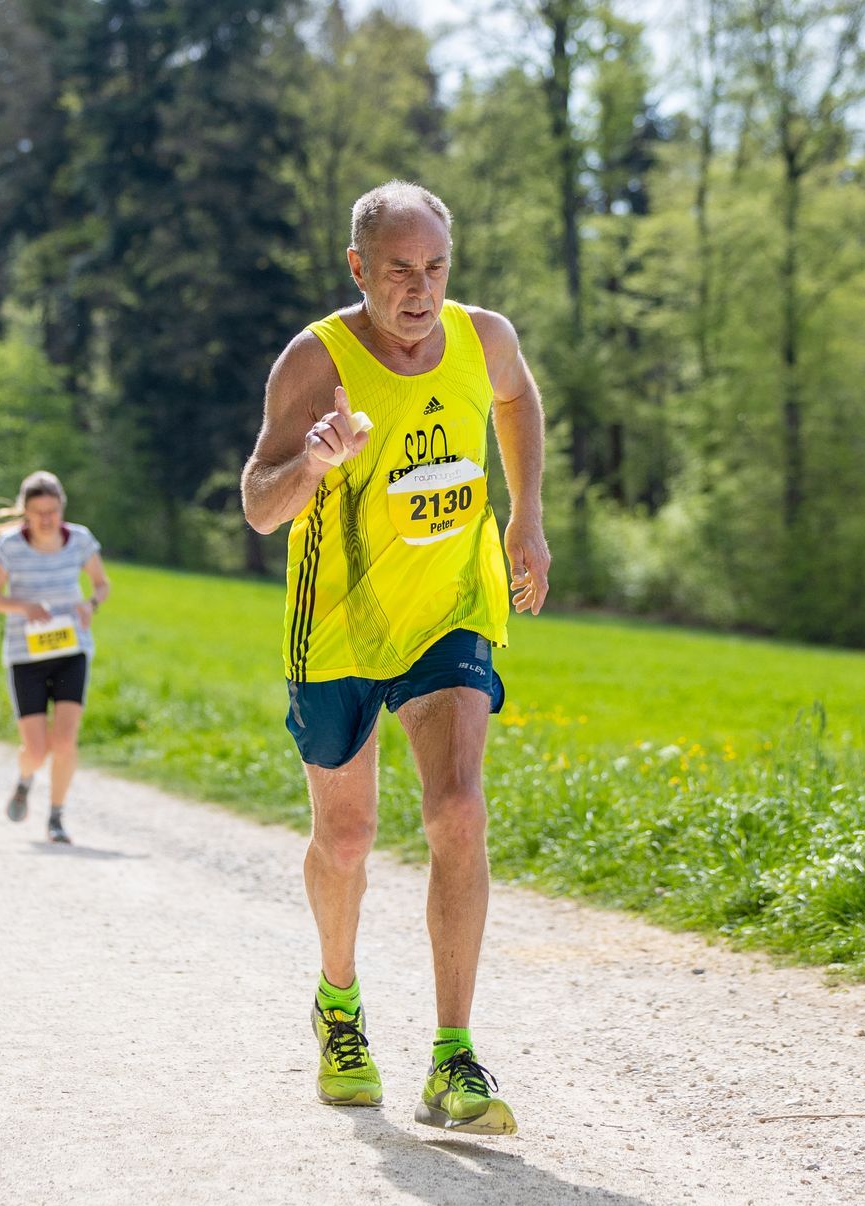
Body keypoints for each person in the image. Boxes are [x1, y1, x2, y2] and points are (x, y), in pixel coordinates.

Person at [240, 180, 551, 1134]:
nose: (420, 290)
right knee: (346, 838)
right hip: (338, 621)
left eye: (436, 268)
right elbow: (259, 503)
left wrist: (524, 512)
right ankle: (340, 1005)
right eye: (400, 271)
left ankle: (454, 1055)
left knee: (458, 809)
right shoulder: (315, 362)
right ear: (359, 269)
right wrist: (316, 464)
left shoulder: (482, 336)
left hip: (450, 608)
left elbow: (518, 397)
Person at [0, 471, 111, 845]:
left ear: (62, 509)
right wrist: (23, 606)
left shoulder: (80, 540)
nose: (46, 519)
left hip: (72, 649)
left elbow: (102, 584)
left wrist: (90, 604)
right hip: (26, 655)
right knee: (36, 749)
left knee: (66, 741)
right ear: (25, 513)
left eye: (52, 511)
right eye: (38, 512)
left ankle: (56, 817)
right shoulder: (9, 546)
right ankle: (24, 781)